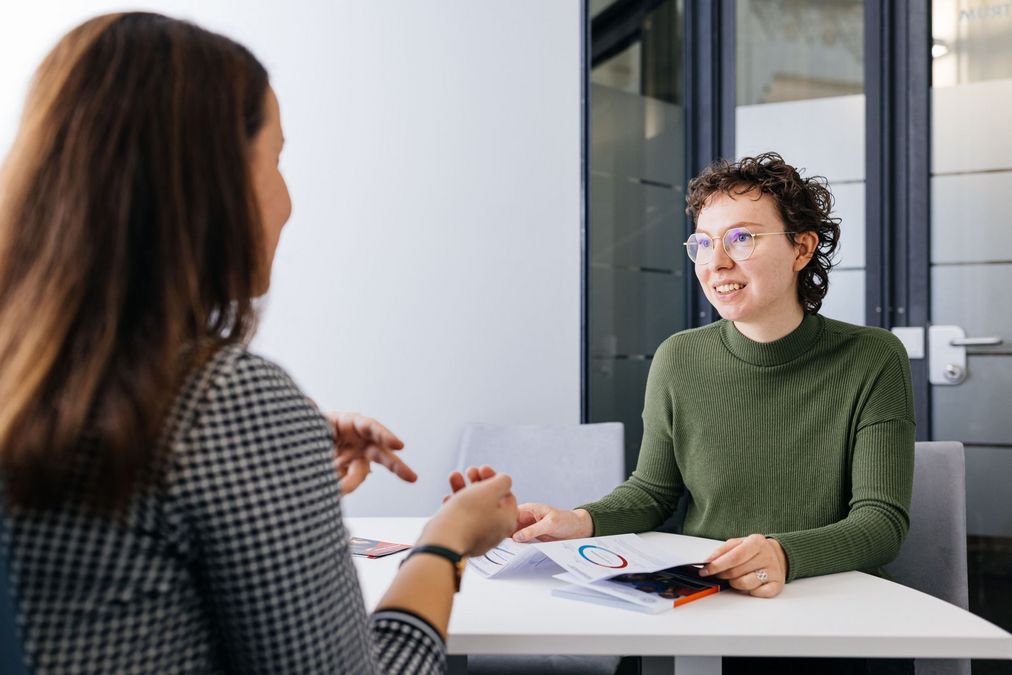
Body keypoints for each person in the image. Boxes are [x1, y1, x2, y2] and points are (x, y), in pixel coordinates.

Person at [0, 13, 516, 674]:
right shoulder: (224, 404)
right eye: (275, 158)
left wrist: (288, 445)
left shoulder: (55, 393)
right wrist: (448, 537)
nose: (289, 200)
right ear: (206, 182)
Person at [500, 152, 916, 674]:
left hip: (836, 615)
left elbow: (881, 523)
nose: (715, 262)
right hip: (707, 607)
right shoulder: (679, 357)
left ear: (801, 248)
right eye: (702, 242)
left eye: (742, 238)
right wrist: (580, 520)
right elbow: (652, 493)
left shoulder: (872, 357)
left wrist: (784, 555)